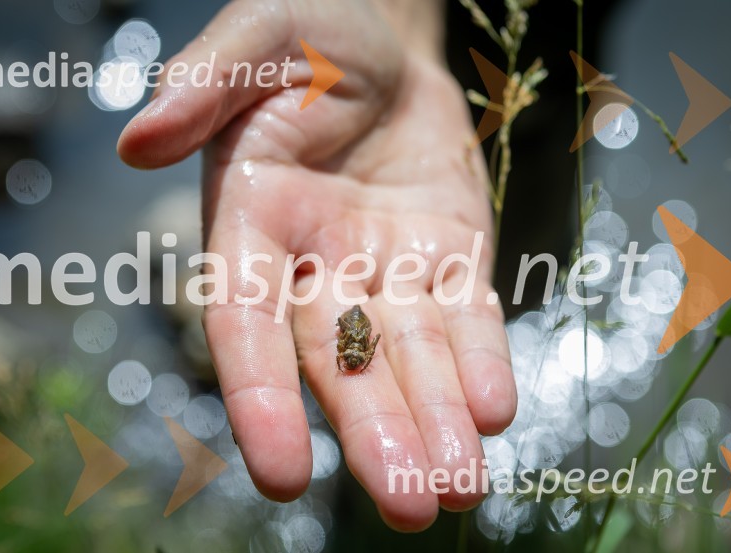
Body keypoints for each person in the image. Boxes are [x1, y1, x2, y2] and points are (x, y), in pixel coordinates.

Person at [117, 0, 515, 532]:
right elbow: (359, 344)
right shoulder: (356, 339)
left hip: (517, 104)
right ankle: (363, 494)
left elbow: (358, 342)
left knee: (498, 282)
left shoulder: (356, 338)